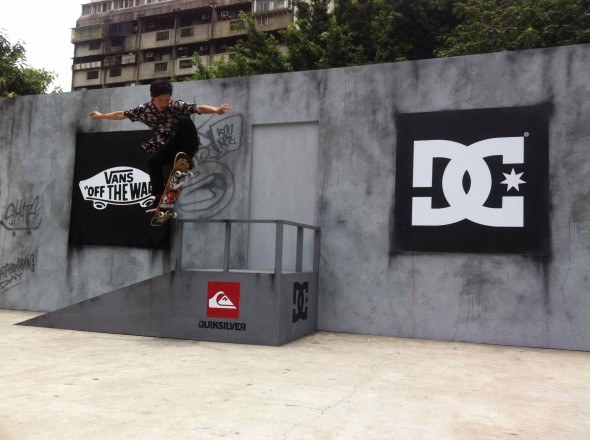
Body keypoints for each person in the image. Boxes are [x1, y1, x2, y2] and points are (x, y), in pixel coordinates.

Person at [89, 79, 231, 207]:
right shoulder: (144, 110)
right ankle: (158, 196)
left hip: (186, 142)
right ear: (152, 97)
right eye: (160, 100)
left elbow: (198, 108)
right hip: (169, 145)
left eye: (167, 100)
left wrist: (216, 110)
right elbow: (122, 114)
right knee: (153, 162)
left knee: (184, 119)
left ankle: (187, 158)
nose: (164, 104)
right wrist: (102, 116)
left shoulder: (176, 106)